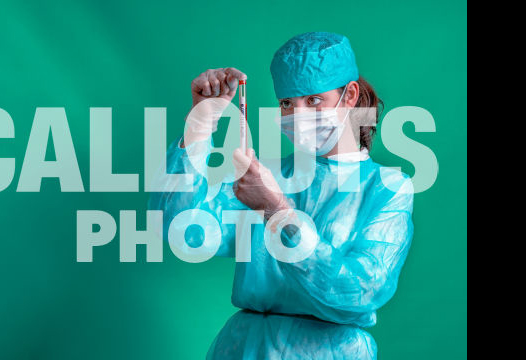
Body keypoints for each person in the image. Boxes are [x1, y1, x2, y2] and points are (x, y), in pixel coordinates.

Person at [149, 31, 413, 359]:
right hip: (244, 348)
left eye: (313, 100)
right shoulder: (264, 176)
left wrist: (277, 211)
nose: (297, 114)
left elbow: (358, 291)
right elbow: (183, 230)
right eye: (287, 102)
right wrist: (200, 123)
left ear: (349, 96)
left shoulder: (387, 188)